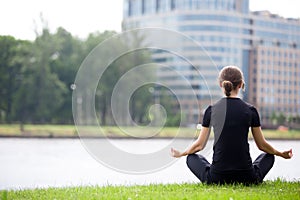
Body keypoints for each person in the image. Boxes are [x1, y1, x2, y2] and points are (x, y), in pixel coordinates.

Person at [171, 65, 293, 185]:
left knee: (191, 157)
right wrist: (280, 154)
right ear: (240, 85)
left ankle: (213, 175)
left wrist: (181, 153)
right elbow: (262, 145)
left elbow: (199, 145)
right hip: (247, 177)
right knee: (269, 155)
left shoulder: (211, 110)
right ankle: (252, 177)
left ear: (221, 84)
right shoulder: (250, 111)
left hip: (216, 177)